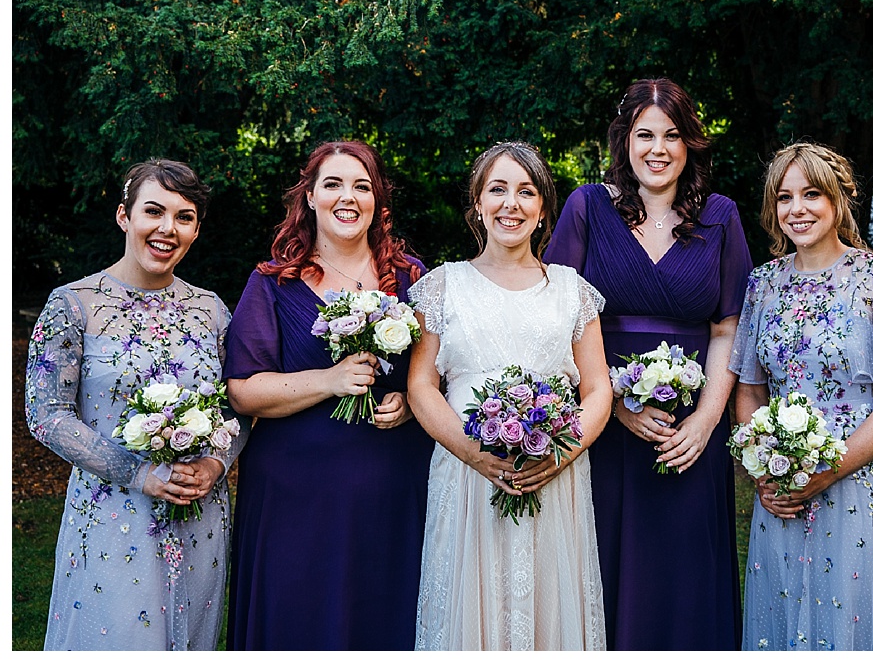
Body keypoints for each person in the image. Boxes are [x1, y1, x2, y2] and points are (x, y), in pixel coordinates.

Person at [545, 79, 750, 650]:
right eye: (644, 135)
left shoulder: (722, 217)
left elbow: (728, 327)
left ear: (689, 145)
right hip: (606, 426)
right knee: (608, 567)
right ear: (624, 141)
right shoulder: (588, 206)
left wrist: (708, 422)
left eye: (672, 135)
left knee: (687, 573)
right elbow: (555, 315)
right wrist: (611, 402)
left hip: (689, 429)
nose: (658, 148)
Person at [403, 142, 613, 649]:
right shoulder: (443, 286)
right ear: (478, 203)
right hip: (466, 477)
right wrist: (475, 455)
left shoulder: (572, 290)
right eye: (497, 189)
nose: (510, 204)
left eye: (526, 192)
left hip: (553, 477)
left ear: (543, 209)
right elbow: (421, 386)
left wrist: (562, 453)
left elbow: (598, 387)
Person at [224, 141, 433, 649]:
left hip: (392, 487)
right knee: (299, 619)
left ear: (378, 202)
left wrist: (410, 402)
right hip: (296, 494)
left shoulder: (411, 277)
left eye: (362, 186)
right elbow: (243, 391)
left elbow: (437, 372)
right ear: (311, 198)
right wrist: (329, 380)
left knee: (386, 616)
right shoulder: (273, 282)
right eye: (333, 184)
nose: (348, 197)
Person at [25, 159, 237, 650]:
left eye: (184, 217)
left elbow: (237, 406)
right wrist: (140, 474)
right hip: (114, 515)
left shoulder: (213, 310)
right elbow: (46, 414)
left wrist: (214, 463)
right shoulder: (71, 304)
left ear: (196, 230)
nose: (168, 228)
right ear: (124, 216)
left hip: (199, 517)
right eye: (154, 211)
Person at [731, 143, 873, 650]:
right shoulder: (762, 284)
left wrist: (829, 468)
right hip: (782, 495)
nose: (796, 209)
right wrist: (765, 473)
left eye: (812, 194)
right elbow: (750, 389)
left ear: (840, 198)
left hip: (860, 486)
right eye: (784, 197)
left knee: (852, 629)